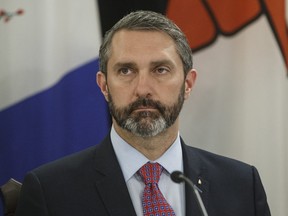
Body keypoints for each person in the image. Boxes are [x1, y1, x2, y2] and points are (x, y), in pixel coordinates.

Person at [15, 10, 271, 216]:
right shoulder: (50, 192)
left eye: (160, 70)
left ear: (188, 84)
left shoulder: (240, 185)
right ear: (104, 86)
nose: (143, 89)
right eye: (126, 70)